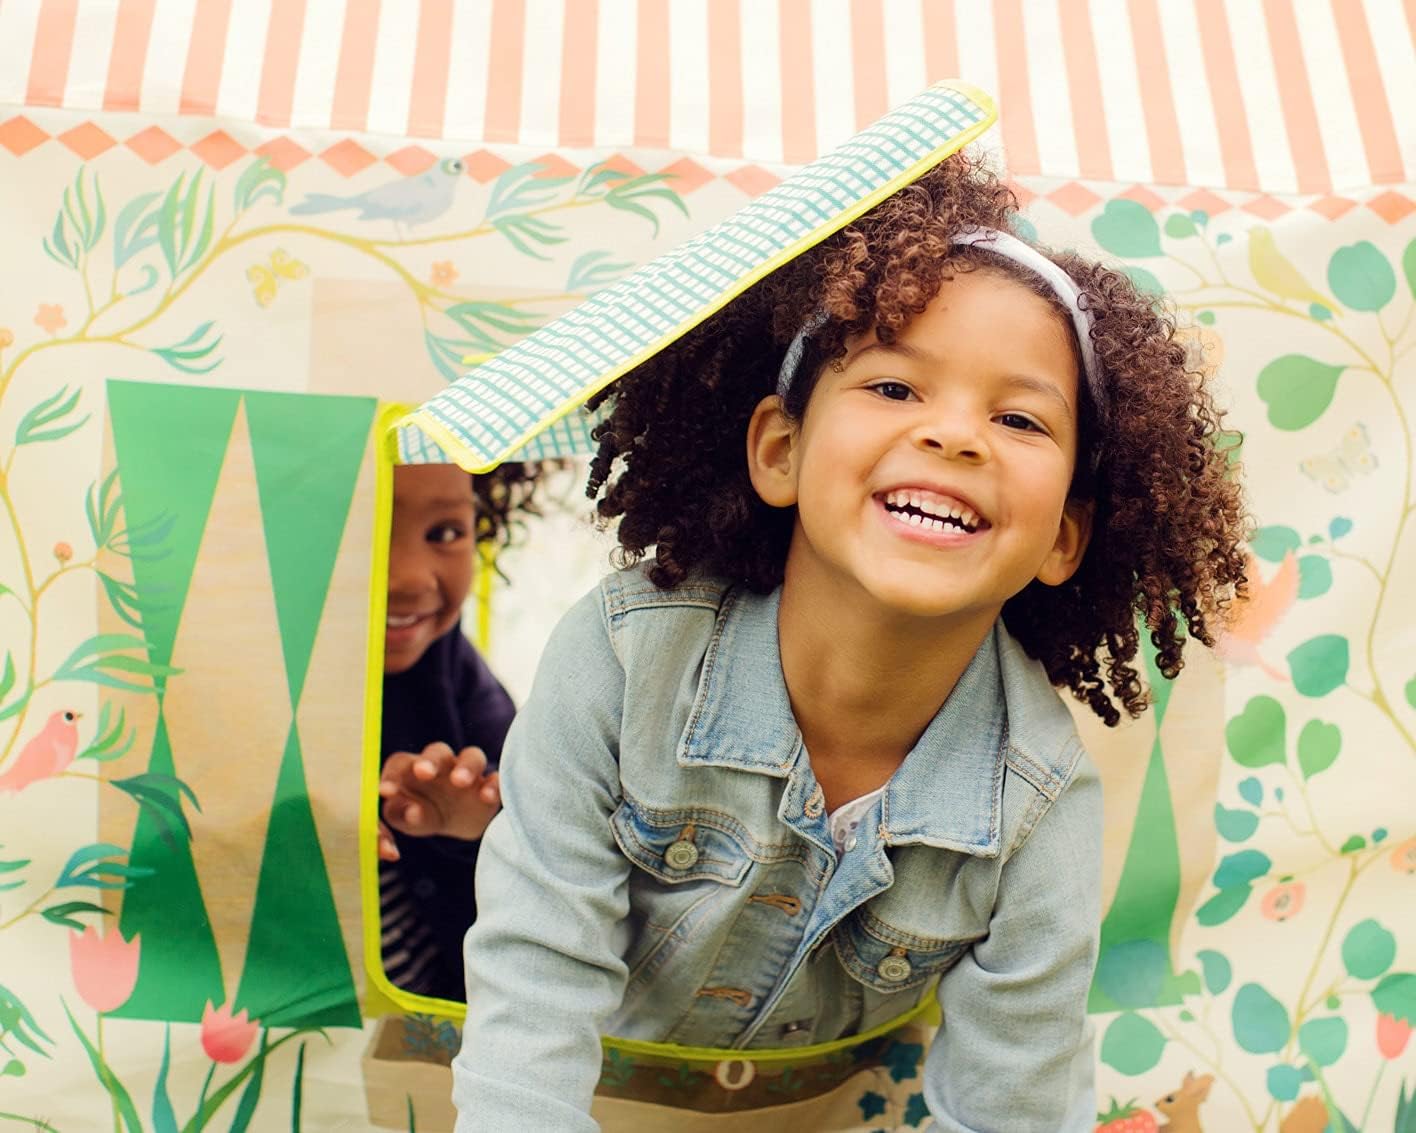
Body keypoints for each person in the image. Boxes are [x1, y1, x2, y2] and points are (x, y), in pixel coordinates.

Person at [452, 151, 1248, 1129]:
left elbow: (1017, 1099)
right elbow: (535, 983)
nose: (957, 436)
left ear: (1064, 537)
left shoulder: (1038, 804)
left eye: (1018, 416)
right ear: (781, 450)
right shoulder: (622, 658)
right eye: (895, 388)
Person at [377, 460, 547, 1002]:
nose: (408, 578)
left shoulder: (451, 666)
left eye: (445, 533)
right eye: (368, 529)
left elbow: (535, 852)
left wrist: (472, 829)